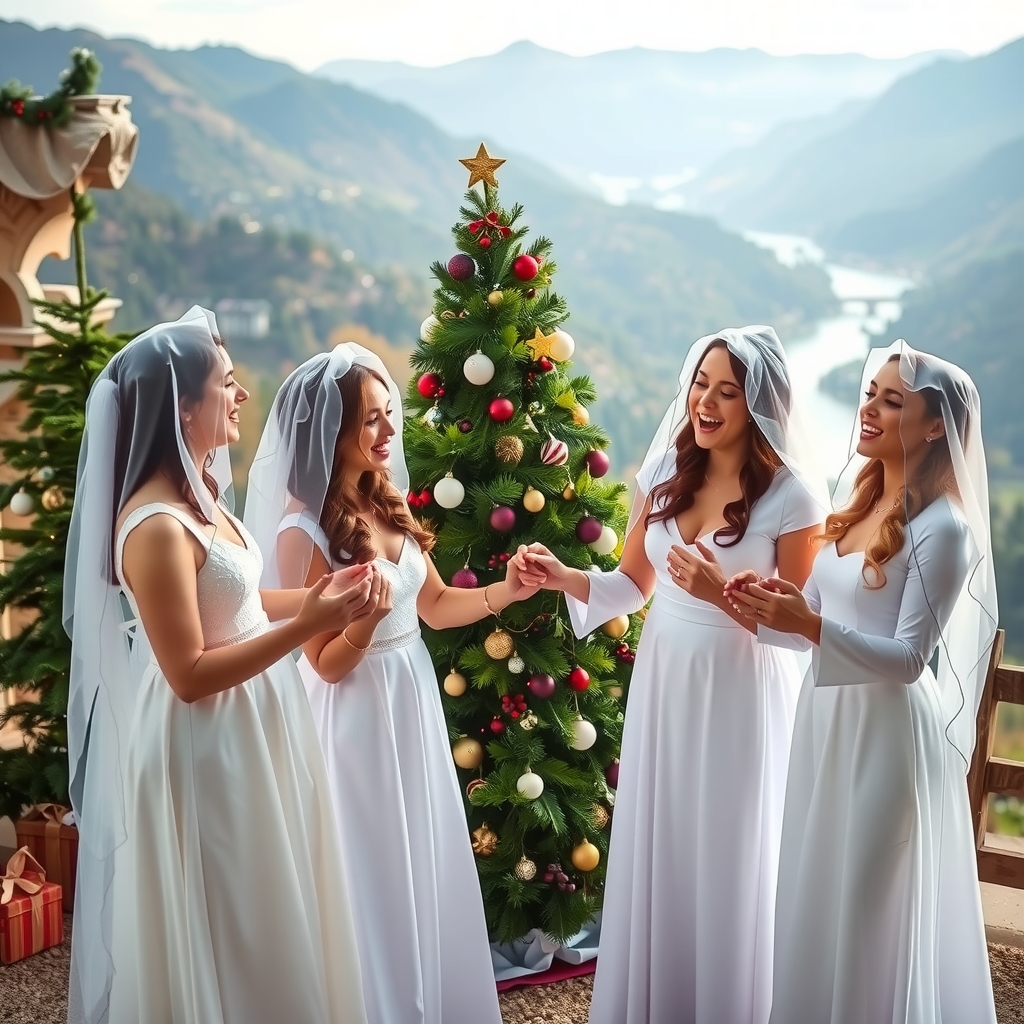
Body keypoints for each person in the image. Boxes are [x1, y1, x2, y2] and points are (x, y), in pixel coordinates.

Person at [511, 327, 827, 1024]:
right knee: (667, 846)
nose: (706, 402)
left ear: (761, 404)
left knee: (727, 853)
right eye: (700, 383)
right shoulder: (662, 470)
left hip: (740, 690)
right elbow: (632, 585)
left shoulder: (793, 498)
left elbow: (800, 633)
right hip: (666, 682)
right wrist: (562, 575)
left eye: (727, 390)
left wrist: (722, 595)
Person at [64, 308, 369, 1024]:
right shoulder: (155, 526)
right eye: (227, 385)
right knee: (233, 918)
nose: (241, 397)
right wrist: (310, 625)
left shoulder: (199, 494)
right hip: (205, 744)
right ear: (184, 407)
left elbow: (238, 600)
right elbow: (190, 672)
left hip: (256, 723)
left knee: (274, 903)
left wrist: (324, 596)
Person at [244, 344, 539, 1024]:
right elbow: (321, 660)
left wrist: (505, 591)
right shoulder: (302, 527)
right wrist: (367, 623)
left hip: (409, 700)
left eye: (388, 415)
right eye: (370, 420)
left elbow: (432, 605)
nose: (387, 433)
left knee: (419, 864)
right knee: (370, 877)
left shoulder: (384, 498)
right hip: (353, 719)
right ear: (330, 431)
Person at [726, 341, 998, 1024]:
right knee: (816, 888)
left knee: (867, 904)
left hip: (886, 738)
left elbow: (908, 659)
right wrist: (758, 607)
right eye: (869, 392)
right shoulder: (856, 507)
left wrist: (810, 627)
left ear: (935, 427)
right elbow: (812, 622)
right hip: (826, 724)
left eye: (891, 399)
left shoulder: (944, 529)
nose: (868, 408)